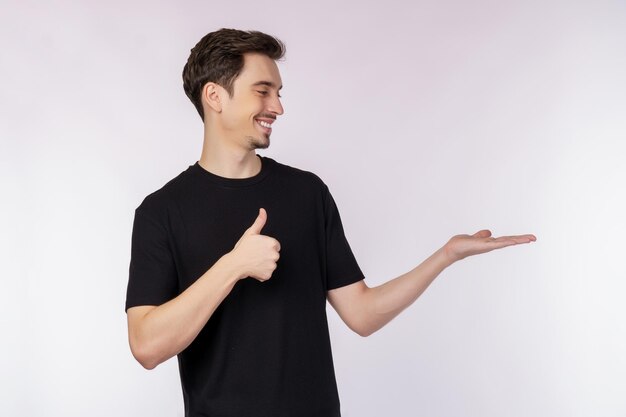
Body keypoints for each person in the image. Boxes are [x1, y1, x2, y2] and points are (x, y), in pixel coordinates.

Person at [125, 28, 536, 417]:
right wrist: (233, 266)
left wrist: (445, 256)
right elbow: (146, 346)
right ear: (214, 96)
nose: (278, 107)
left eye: (279, 93)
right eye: (263, 91)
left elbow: (362, 314)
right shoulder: (162, 212)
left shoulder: (306, 194)